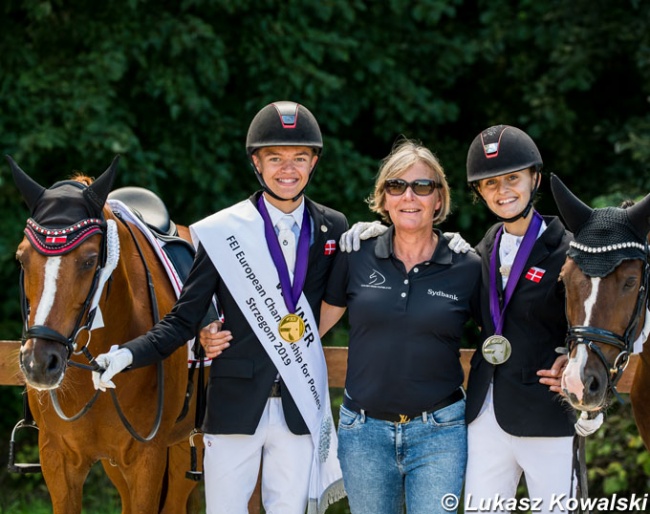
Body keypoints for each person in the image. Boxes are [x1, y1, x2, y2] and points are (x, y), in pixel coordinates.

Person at [92, 101, 347, 514]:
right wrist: (127, 354)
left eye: (300, 157)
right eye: (275, 158)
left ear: (314, 162)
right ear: (256, 164)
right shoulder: (223, 231)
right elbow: (183, 319)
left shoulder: (334, 227)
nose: (288, 168)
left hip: (302, 403)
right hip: (234, 402)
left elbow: (341, 299)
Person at [318, 139, 482, 514]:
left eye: (422, 186)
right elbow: (311, 327)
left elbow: (501, 334)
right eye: (397, 186)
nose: (409, 196)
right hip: (363, 435)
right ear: (384, 199)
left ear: (438, 199)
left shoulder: (467, 265)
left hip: (440, 433)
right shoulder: (355, 254)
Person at [463, 124, 601, 513]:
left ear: (534, 178)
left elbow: (598, 321)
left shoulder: (571, 249)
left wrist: (575, 357)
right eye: (490, 184)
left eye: (512, 179)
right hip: (486, 413)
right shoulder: (482, 248)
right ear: (479, 192)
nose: (502, 190)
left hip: (547, 411)